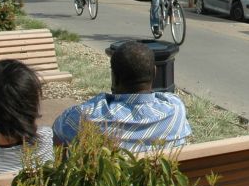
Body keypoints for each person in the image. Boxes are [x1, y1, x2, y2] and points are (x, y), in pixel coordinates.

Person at [52, 41, 191, 152]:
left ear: (114, 77)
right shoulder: (175, 109)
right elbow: (166, 96)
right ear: (154, 73)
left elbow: (56, 136)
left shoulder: (84, 116)